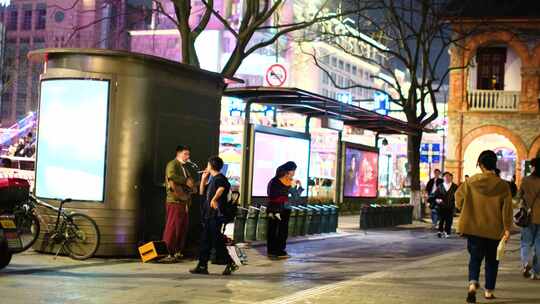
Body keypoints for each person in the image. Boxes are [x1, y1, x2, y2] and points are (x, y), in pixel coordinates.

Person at [456, 150, 512, 303]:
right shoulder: (502, 185)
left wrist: (466, 207)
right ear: (495, 165)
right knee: (492, 261)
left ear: (480, 164)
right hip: (494, 230)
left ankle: (473, 283)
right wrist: (507, 228)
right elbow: (507, 210)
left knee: (474, 258)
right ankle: (488, 291)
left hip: (473, 228)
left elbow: (458, 199)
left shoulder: (470, 182)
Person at [190, 156, 237, 275]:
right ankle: (202, 266)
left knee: (217, 241)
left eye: (207, 164)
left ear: (211, 165)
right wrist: (203, 180)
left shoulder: (220, 178)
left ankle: (231, 261)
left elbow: (221, 188)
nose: (206, 167)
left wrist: (215, 199)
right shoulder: (212, 179)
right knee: (205, 241)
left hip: (216, 216)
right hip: (209, 215)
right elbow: (202, 193)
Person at [161, 145, 196, 263]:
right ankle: (168, 251)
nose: (188, 156)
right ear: (178, 153)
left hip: (184, 200)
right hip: (175, 200)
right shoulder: (172, 164)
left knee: (182, 227)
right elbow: (171, 176)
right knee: (173, 226)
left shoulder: (184, 168)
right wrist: (186, 181)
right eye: (185, 154)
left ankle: (177, 251)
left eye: (188, 154)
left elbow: (189, 183)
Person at [267, 161, 297, 259]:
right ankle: (272, 250)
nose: (294, 173)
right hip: (274, 208)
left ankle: (280, 250)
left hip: (286, 208)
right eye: (293, 171)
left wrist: (297, 187)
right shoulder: (274, 181)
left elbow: (296, 197)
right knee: (273, 229)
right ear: (287, 171)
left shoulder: (290, 182)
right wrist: (286, 190)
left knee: (283, 230)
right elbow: (271, 194)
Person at [518, 157, 540, 280]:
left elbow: (519, 195)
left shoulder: (526, 180)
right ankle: (536, 272)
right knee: (539, 245)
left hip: (529, 216)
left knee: (526, 242)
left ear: (534, 167)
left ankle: (527, 262)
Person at [433, 172, 458, 238]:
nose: (447, 178)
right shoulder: (440, 186)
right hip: (441, 206)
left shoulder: (455, 186)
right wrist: (437, 200)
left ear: (451, 177)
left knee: (449, 220)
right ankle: (440, 231)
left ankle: (447, 232)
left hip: (450, 206)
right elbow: (435, 195)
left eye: (448, 176)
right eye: (445, 176)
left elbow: (458, 196)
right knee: (441, 219)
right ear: (443, 178)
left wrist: (457, 203)